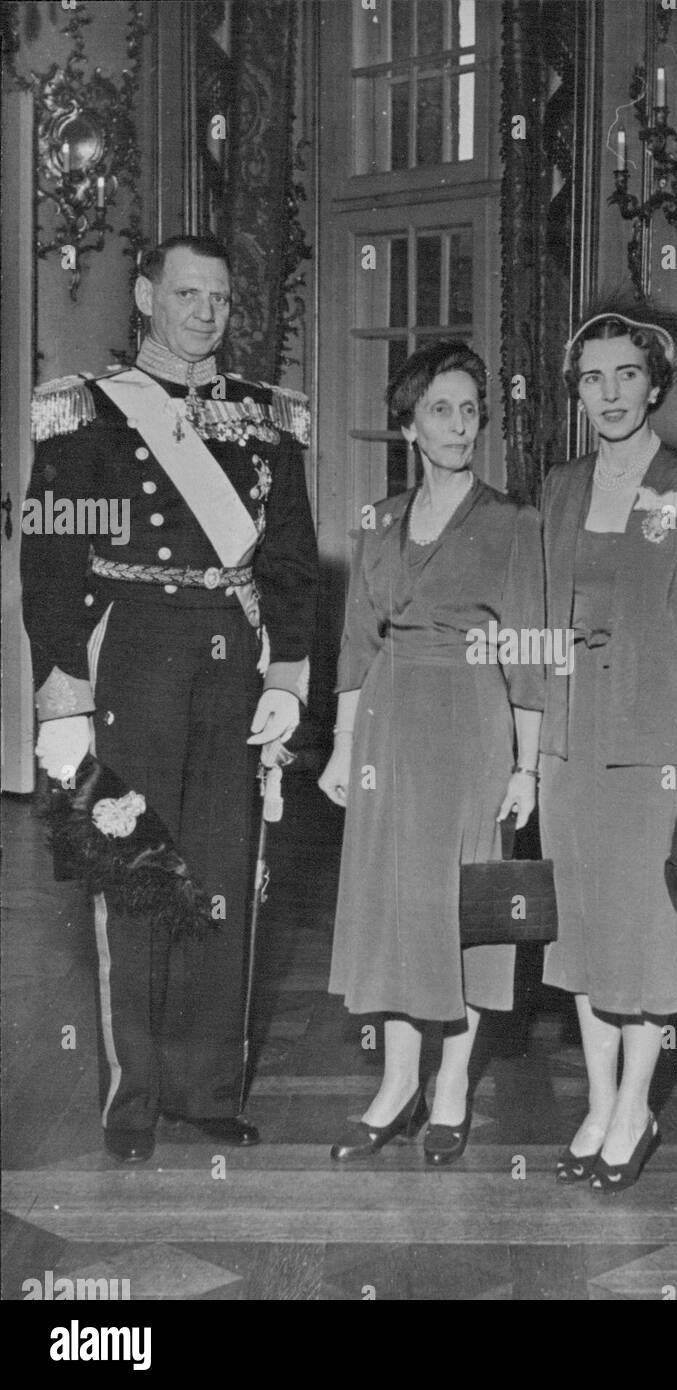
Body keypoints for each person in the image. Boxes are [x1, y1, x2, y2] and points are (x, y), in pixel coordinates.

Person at [21, 234, 318, 1163]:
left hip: (230, 656)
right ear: (146, 295)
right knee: (136, 865)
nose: (204, 312)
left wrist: (289, 674)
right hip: (132, 650)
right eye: (186, 293)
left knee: (225, 873)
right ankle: (134, 1096)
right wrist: (62, 691)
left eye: (220, 298)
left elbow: (293, 562)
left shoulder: (268, 420)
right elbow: (49, 558)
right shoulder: (85, 413)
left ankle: (205, 1087)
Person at [320, 341, 544, 1167]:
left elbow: (527, 656)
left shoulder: (515, 522)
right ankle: (396, 1085)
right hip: (385, 721)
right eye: (441, 410)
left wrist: (526, 767)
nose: (460, 425)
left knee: (465, 903)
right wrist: (343, 749)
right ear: (408, 423)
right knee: (393, 902)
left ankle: (451, 1089)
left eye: (470, 410)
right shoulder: (379, 520)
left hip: (472, 721)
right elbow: (354, 644)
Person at [539, 300, 677, 1192]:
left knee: (649, 936)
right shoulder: (558, 486)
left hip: (658, 740)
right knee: (581, 935)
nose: (611, 392)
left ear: (656, 385)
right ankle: (598, 1098)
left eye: (628, 374)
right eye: (593, 376)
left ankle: (636, 1106)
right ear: (577, 391)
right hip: (567, 743)